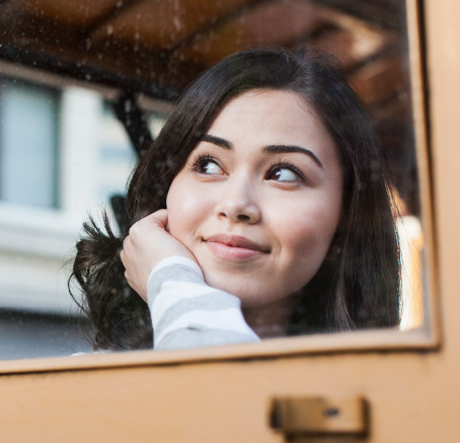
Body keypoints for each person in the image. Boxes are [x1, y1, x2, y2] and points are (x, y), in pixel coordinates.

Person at [70, 47, 400, 352]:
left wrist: (172, 284)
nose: (235, 205)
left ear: (347, 215)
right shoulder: (80, 391)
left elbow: (227, 401)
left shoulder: (395, 398)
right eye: (207, 165)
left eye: (283, 174)